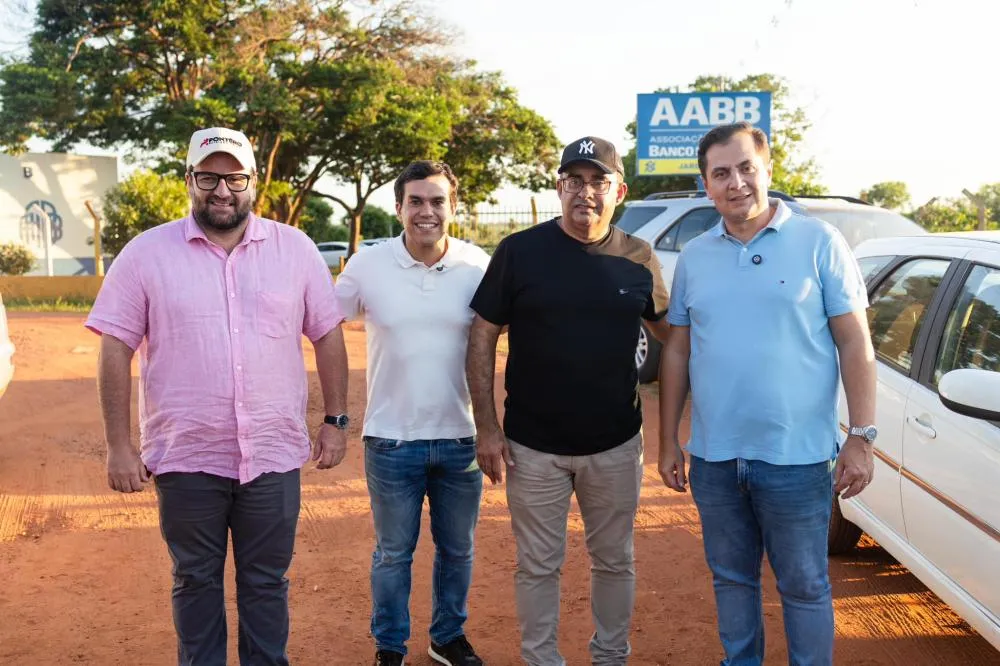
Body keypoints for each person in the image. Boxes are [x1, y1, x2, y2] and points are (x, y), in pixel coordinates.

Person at [86, 127, 350, 666]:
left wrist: (336, 420)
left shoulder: (295, 250)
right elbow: (115, 347)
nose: (222, 190)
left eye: (235, 178)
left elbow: (327, 334)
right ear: (189, 180)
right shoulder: (145, 254)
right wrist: (118, 445)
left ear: (255, 182)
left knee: (266, 583)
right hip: (187, 457)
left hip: (272, 457)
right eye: (209, 176)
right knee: (195, 581)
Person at [657, 121, 877, 666]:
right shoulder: (696, 257)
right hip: (715, 457)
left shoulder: (819, 242)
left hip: (797, 458)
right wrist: (666, 442)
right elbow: (678, 352)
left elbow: (855, 344)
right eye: (721, 173)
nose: (736, 183)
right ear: (706, 186)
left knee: (804, 586)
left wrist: (862, 437)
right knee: (732, 581)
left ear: (768, 169)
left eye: (745, 167)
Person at [467, 136, 670, 666]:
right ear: (559, 187)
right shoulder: (519, 251)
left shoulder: (639, 258)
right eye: (573, 181)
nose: (585, 192)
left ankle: (611, 657)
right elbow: (483, 333)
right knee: (537, 565)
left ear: (618, 191)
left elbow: (674, 337)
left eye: (598, 181)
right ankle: (541, 660)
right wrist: (487, 429)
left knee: (615, 562)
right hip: (533, 447)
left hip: (616, 444)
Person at [335, 161, 490, 666]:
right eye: (416, 202)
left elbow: (503, 335)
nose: (427, 211)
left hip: (460, 436)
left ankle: (447, 636)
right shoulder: (366, 265)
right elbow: (321, 320)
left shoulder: (477, 265)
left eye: (437, 201)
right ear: (398, 207)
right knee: (393, 554)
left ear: (453, 206)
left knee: (459, 551)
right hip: (390, 439)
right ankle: (390, 646)